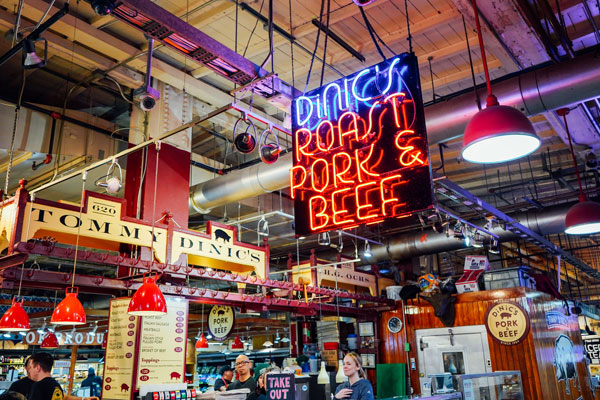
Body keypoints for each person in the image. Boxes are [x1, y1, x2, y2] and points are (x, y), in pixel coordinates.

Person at [10, 353, 97, 400]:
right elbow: (63, 397)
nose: (29, 370)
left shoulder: (38, 387)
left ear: (38, 368)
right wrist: (83, 399)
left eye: (31, 367)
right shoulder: (55, 385)